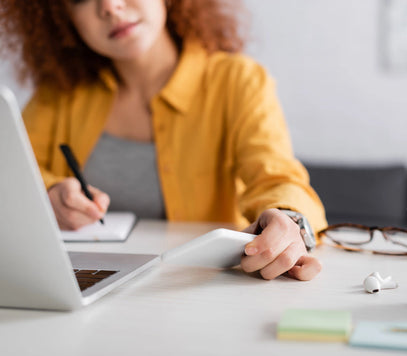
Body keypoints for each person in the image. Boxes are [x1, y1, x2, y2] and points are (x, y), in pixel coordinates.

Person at [0, 0, 327, 281]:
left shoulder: (237, 81)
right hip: (83, 282)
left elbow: (278, 177)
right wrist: (50, 193)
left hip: (197, 285)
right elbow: (13, 176)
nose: (110, 7)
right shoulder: (57, 95)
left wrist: (289, 219)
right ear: (61, 17)